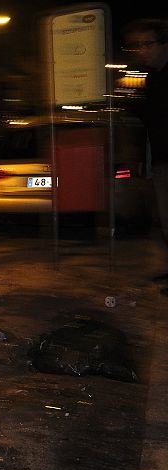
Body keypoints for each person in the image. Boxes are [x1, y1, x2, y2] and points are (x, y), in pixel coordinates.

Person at [122, 19, 168, 293]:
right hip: (161, 160)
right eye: (137, 45)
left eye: (147, 43)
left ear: (164, 44)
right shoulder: (150, 79)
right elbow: (146, 121)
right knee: (165, 220)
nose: (142, 50)